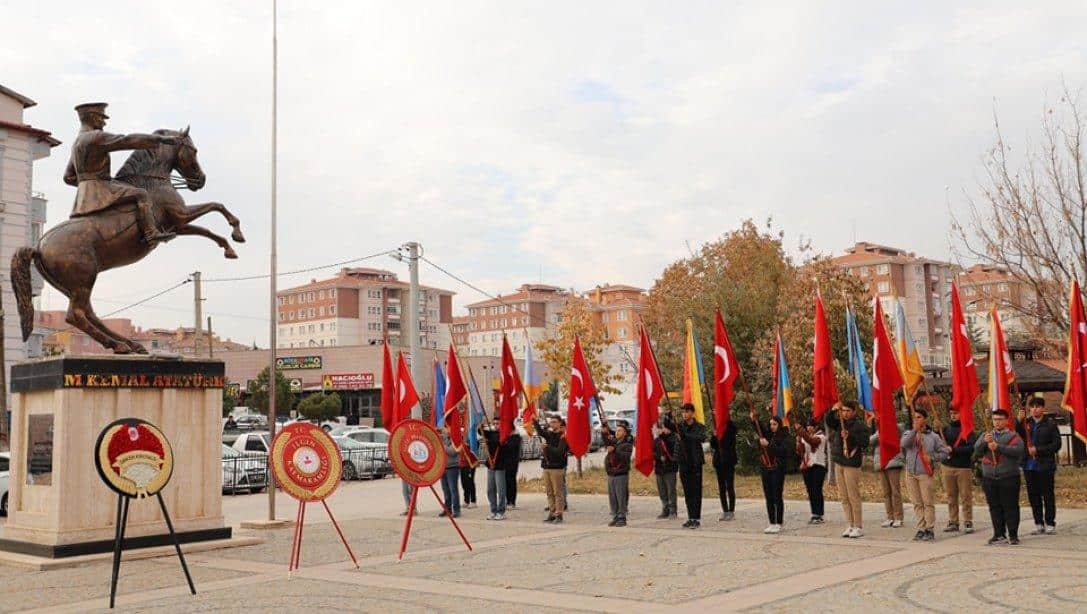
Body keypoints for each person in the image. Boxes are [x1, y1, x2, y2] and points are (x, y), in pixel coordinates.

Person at [64, 102, 178, 243]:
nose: (104, 123)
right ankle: (150, 232)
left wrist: (87, 186)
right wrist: (160, 139)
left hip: (83, 196)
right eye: (102, 118)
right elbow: (128, 140)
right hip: (101, 187)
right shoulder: (96, 137)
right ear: (92, 117)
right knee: (141, 194)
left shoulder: (77, 142)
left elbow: (68, 177)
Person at [976, 409, 1025, 545]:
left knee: (1010, 506)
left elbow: (1018, 451)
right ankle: (999, 534)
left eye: (1000, 419)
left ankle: (1013, 534)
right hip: (989, 477)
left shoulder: (1013, 436)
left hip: (1008, 477)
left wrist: (998, 447)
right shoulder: (987, 435)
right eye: (994, 419)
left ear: (1006, 420)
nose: (997, 422)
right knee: (994, 507)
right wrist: (983, 443)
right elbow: (977, 450)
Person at [900, 407, 950, 542]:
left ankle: (929, 529)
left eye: (919, 417)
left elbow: (945, 452)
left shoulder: (933, 436)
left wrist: (932, 457)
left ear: (925, 419)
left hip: (925, 473)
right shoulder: (908, 434)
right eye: (914, 417)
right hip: (911, 473)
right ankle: (921, 528)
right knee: (917, 503)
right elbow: (904, 444)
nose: (916, 420)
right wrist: (914, 430)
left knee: (927, 502)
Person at [1018, 397, 1061, 535]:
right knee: (1033, 496)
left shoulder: (1050, 424)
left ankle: (1050, 522)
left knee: (1047, 495)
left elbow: (1056, 445)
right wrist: (1019, 420)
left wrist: (1038, 450)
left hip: (1045, 465)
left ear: (1043, 408)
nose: (1035, 409)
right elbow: (1016, 435)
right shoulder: (1026, 423)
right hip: (1029, 466)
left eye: (1038, 406)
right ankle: (1038, 523)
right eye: (1032, 407)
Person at [826, 400, 869, 538]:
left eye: (847, 411)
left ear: (854, 411)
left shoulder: (860, 425)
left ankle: (858, 526)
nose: (845, 413)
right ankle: (850, 524)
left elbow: (865, 442)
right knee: (843, 496)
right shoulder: (839, 423)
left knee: (853, 495)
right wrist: (833, 410)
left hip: (851, 462)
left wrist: (850, 436)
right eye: (843, 411)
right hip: (839, 461)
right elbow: (829, 421)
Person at [941, 405, 978, 534]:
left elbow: (972, 448)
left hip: (963, 467)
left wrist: (954, 450)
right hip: (948, 466)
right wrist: (935, 429)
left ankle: (968, 521)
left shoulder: (968, 430)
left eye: (956, 413)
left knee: (965, 496)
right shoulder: (945, 429)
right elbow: (940, 444)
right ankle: (953, 521)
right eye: (951, 413)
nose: (953, 415)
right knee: (951, 496)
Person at [868, 413, 905, 529]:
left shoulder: (897, 427)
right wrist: (879, 431)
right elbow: (870, 440)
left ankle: (898, 517)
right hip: (881, 462)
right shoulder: (879, 431)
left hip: (893, 462)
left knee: (895, 492)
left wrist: (887, 427)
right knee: (886, 492)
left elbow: (901, 433)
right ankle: (890, 517)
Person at [534, 414, 569, 523]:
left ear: (559, 423)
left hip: (557, 467)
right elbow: (540, 432)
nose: (552, 424)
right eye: (551, 422)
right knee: (549, 492)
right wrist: (535, 422)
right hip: (547, 466)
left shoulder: (563, 436)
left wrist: (547, 447)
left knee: (558, 492)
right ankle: (552, 512)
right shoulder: (549, 434)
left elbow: (559, 452)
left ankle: (559, 514)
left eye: (555, 422)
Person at [677, 404, 706, 529]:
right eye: (683, 412)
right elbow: (669, 428)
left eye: (687, 412)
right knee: (687, 491)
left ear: (692, 413)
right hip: (683, 462)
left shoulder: (699, 426)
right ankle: (690, 517)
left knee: (696, 491)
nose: (684, 414)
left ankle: (696, 518)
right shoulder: (679, 427)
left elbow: (701, 437)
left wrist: (685, 436)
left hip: (695, 462)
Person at [758, 413, 788, 533]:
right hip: (766, 469)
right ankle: (771, 522)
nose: (772, 426)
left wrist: (769, 445)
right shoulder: (768, 435)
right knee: (768, 496)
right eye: (770, 424)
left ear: (779, 425)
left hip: (777, 469)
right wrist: (754, 419)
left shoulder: (784, 436)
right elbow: (758, 429)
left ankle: (779, 522)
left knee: (777, 496)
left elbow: (782, 451)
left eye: (774, 424)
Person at [602, 420, 634, 527]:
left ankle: (622, 517)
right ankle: (615, 515)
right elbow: (606, 439)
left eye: (620, 430)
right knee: (613, 496)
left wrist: (614, 450)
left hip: (621, 473)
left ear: (625, 433)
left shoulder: (627, 444)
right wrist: (604, 429)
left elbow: (625, 457)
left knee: (621, 496)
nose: (617, 432)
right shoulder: (615, 442)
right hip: (611, 473)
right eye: (616, 430)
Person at [797, 416, 828, 525]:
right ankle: (814, 512)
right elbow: (801, 451)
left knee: (817, 489)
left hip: (818, 465)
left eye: (811, 426)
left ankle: (819, 514)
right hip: (807, 466)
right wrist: (798, 440)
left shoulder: (821, 436)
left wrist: (802, 432)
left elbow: (812, 442)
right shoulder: (804, 436)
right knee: (810, 490)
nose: (809, 428)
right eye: (808, 426)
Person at [711, 417, 738, 521]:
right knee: (721, 487)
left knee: (729, 486)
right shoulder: (717, 427)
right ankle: (725, 511)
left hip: (729, 460)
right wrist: (714, 435)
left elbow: (733, 436)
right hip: (719, 461)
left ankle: (731, 511)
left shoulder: (731, 427)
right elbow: (713, 445)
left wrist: (726, 423)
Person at [654, 413, 680, 520]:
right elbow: (653, 452)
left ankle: (673, 511)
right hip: (659, 468)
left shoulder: (673, 438)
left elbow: (673, 451)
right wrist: (658, 457)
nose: (662, 429)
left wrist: (663, 436)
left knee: (671, 491)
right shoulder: (657, 440)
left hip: (670, 468)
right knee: (662, 491)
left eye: (664, 427)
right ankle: (665, 509)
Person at [480, 424, 507, 520]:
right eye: (494, 423)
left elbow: (497, 442)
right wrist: (481, 426)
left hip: (500, 465)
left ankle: (501, 511)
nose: (496, 425)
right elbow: (481, 432)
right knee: (490, 489)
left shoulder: (504, 434)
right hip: (490, 465)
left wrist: (488, 441)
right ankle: (493, 510)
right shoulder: (491, 433)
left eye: (498, 423)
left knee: (501, 490)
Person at [438, 425, 461, 518]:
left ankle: (456, 510)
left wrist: (442, 445)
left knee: (453, 490)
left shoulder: (455, 438)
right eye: (444, 427)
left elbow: (453, 452)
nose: (445, 429)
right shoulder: (442, 438)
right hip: (443, 467)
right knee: (445, 490)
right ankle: (447, 509)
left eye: (447, 427)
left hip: (452, 467)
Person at [503, 428, 523, 510]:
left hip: (512, 464)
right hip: (504, 463)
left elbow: (510, 447)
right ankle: (507, 500)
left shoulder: (516, 437)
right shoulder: (505, 436)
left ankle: (511, 501)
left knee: (511, 482)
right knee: (506, 482)